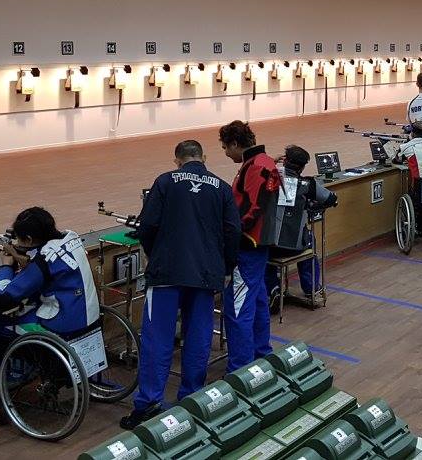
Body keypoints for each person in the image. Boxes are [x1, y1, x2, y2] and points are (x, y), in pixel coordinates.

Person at [121, 140, 241, 429]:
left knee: (157, 340)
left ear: (177, 160)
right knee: (199, 338)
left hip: (167, 273)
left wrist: (154, 255)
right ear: (204, 157)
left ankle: (149, 403)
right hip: (205, 274)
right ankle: (193, 399)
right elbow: (233, 231)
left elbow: (147, 227)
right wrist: (226, 267)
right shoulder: (222, 187)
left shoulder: (164, 182)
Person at [0, 207, 98, 396]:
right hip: (88, 315)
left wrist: (5, 267)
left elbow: (5, 296)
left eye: (20, 238)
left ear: (29, 239)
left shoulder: (44, 261)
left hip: (62, 325)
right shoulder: (70, 238)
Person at [219, 121, 278, 372]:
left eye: (225, 147)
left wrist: (233, 233)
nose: (225, 153)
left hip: (247, 246)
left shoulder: (255, 166)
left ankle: (240, 369)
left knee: (238, 307)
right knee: (258, 301)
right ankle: (261, 354)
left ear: (235, 143)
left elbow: (253, 208)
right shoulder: (262, 161)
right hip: (257, 245)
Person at [264, 145, 337, 308]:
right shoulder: (307, 184)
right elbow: (331, 199)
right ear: (303, 167)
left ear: (285, 160)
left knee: (264, 253)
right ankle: (311, 288)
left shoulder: (269, 178)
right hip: (294, 246)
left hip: (269, 245)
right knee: (309, 239)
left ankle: (273, 288)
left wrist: (272, 163)